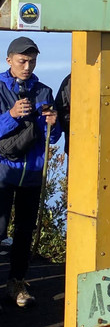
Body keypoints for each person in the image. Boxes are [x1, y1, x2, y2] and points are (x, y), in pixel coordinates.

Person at [0, 37, 60, 307]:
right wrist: (11, 114)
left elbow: (53, 137)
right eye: (22, 60)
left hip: (33, 175)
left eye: (32, 61)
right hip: (3, 172)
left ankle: (17, 283)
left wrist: (53, 124)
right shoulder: (0, 88)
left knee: (24, 232)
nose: (27, 66)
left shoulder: (44, 91)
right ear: (9, 59)